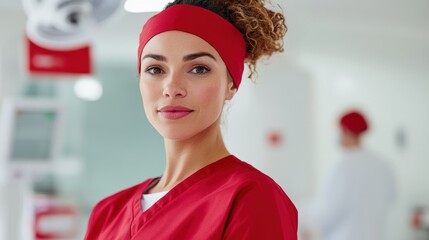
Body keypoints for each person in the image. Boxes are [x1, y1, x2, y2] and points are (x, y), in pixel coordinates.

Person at [84, 0, 298, 239]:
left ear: (231, 85)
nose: (172, 88)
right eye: (155, 69)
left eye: (198, 69)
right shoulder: (107, 212)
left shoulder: (250, 197)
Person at [299, 110, 396, 240]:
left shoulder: (343, 168)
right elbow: (392, 198)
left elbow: (328, 211)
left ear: (345, 131)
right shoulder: (382, 165)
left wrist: (298, 211)